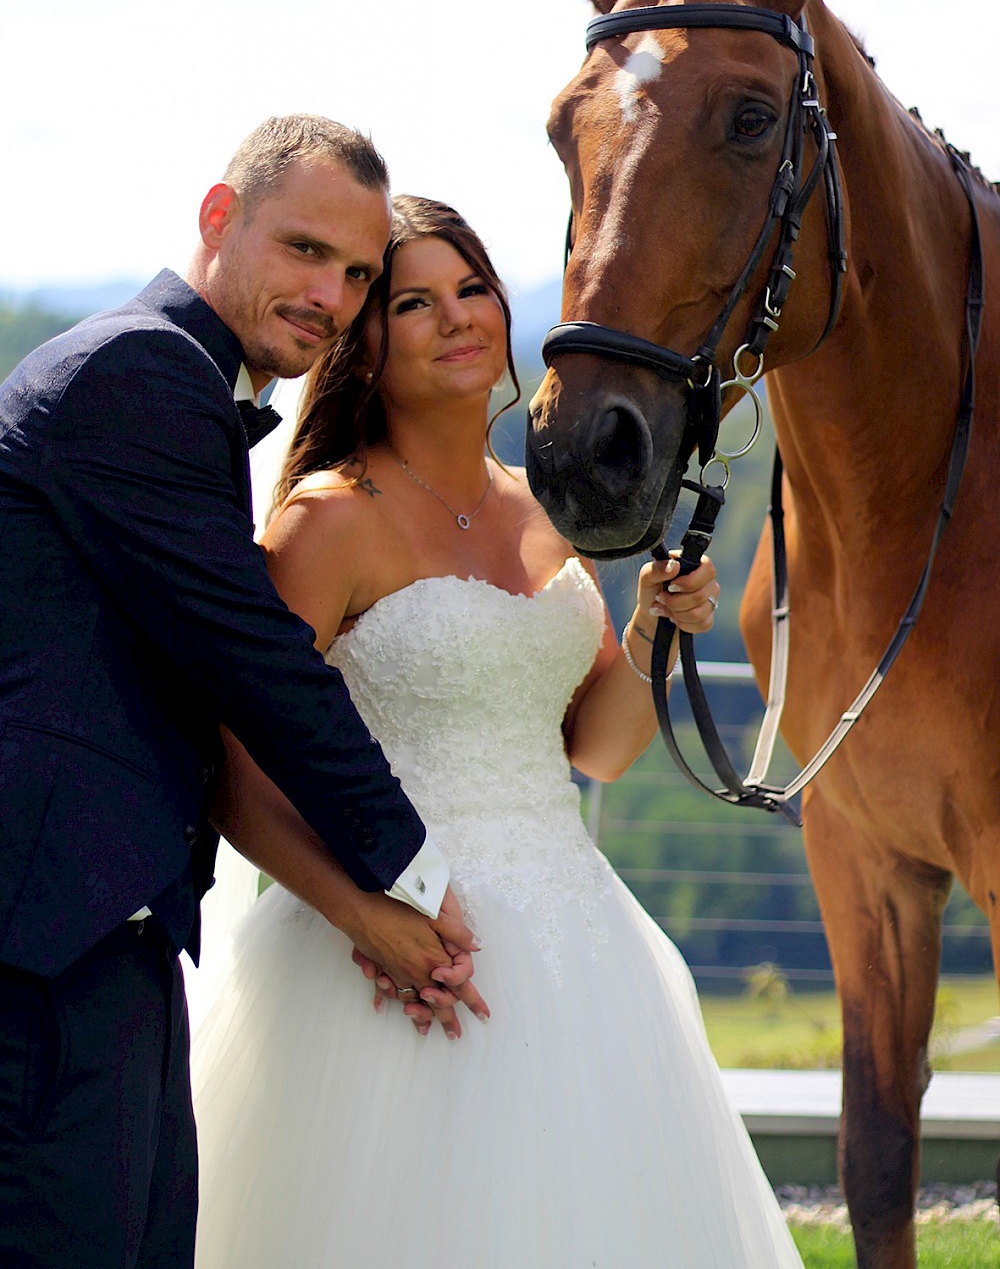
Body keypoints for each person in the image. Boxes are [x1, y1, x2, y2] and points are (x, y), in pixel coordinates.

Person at [190, 195, 804, 1267]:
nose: (459, 317)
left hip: (579, 947)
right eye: (415, 301)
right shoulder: (330, 518)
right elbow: (235, 769)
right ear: (363, 345)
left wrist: (655, 622)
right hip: (390, 954)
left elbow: (597, 750)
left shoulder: (547, 511)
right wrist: (364, 918)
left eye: (471, 287)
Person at [0, 125, 479, 1269]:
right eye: (305, 249)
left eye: (358, 275)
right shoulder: (135, 373)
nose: (331, 295)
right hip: (38, 939)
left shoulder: (182, 383)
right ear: (219, 218)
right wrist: (414, 875)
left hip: (114, 927)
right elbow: (257, 662)